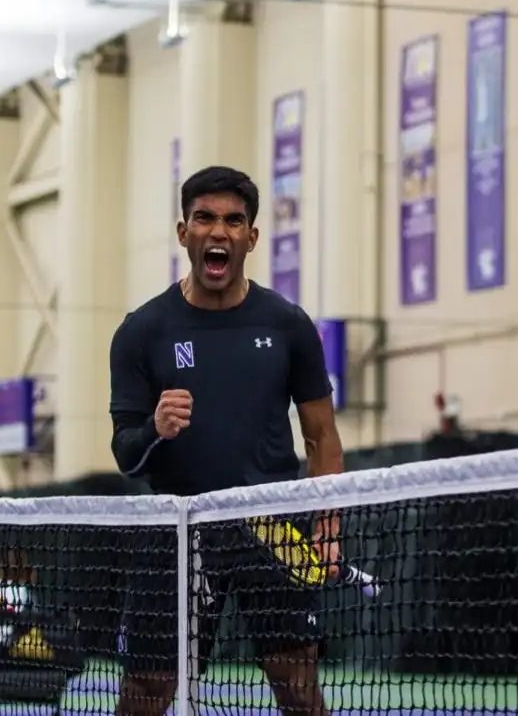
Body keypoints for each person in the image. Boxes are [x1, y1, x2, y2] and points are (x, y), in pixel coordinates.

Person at [109, 165, 344, 716]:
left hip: (273, 528)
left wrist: (328, 529)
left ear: (252, 237)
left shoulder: (288, 324)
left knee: (299, 686)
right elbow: (125, 451)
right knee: (147, 691)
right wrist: (155, 429)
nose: (219, 231)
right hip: (175, 530)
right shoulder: (141, 331)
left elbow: (322, 437)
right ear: (183, 232)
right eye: (205, 218)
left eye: (234, 221)